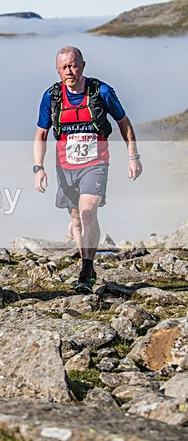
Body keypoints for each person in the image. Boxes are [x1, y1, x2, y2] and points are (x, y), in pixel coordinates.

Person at [34, 46, 142, 294]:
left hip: (95, 163)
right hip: (65, 166)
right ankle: (88, 266)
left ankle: (86, 269)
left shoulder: (101, 91)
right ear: (57, 70)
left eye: (73, 65)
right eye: (63, 67)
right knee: (75, 220)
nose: (69, 71)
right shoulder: (51, 97)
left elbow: (123, 122)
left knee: (88, 211)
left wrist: (133, 156)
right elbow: (41, 133)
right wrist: (38, 168)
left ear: (83, 65)